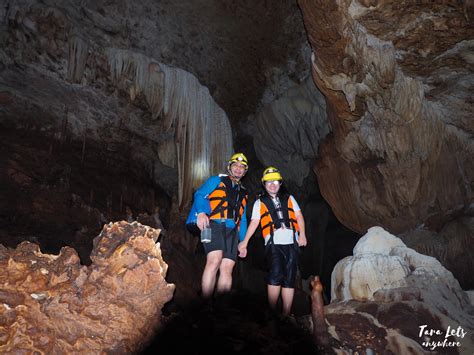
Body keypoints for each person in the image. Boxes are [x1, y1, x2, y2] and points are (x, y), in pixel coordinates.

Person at [238, 166, 307, 316]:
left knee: (289, 277)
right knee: (275, 275)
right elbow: (254, 223)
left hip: (292, 243)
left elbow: (299, 216)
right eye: (269, 182)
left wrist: (302, 235)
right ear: (264, 184)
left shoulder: (289, 198)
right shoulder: (259, 203)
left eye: (275, 181)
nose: (272, 184)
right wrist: (244, 242)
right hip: (274, 243)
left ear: (280, 183)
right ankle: (272, 313)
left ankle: (287, 314)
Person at [186, 153, 249, 299]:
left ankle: (222, 306)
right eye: (236, 166)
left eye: (242, 167)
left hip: (232, 231)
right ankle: (206, 303)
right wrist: (201, 212)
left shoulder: (244, 193)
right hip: (213, 224)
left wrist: (243, 242)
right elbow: (200, 194)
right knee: (214, 260)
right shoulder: (216, 180)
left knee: (227, 267)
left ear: (245, 172)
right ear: (229, 167)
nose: (238, 169)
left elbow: (243, 219)